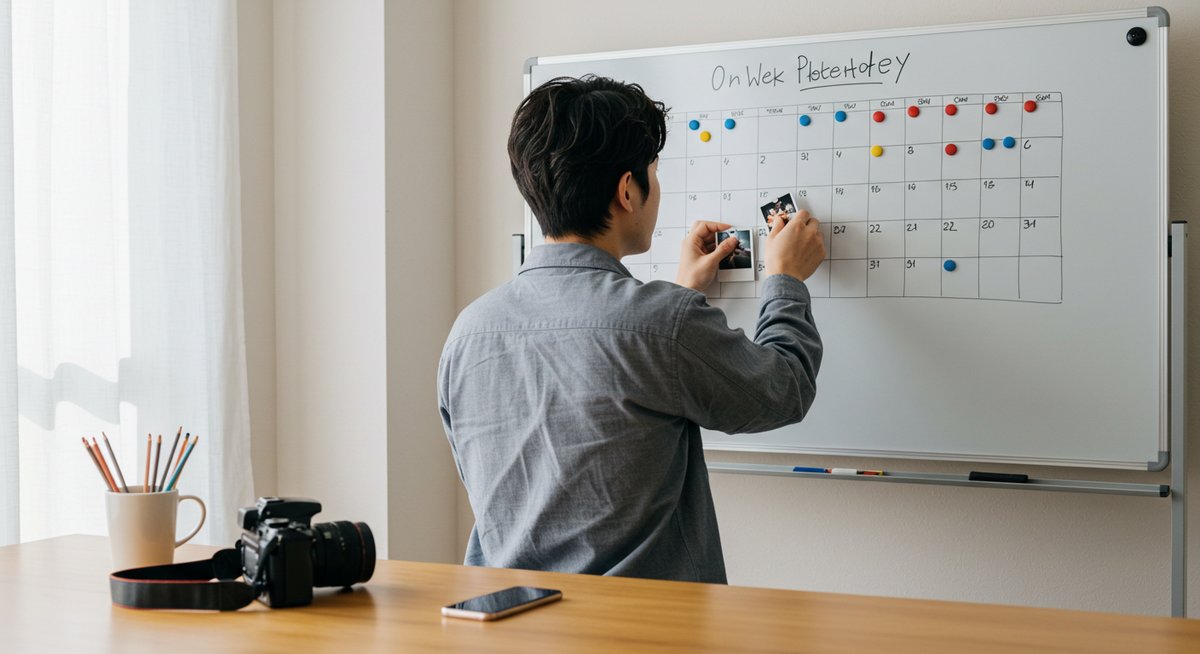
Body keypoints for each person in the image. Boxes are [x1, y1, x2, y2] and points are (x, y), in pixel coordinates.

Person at [438, 75, 826, 584]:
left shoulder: (469, 332)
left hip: (511, 625)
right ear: (627, 190)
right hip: (644, 631)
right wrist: (784, 278)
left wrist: (683, 292)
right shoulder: (662, 325)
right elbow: (783, 390)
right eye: (653, 174)